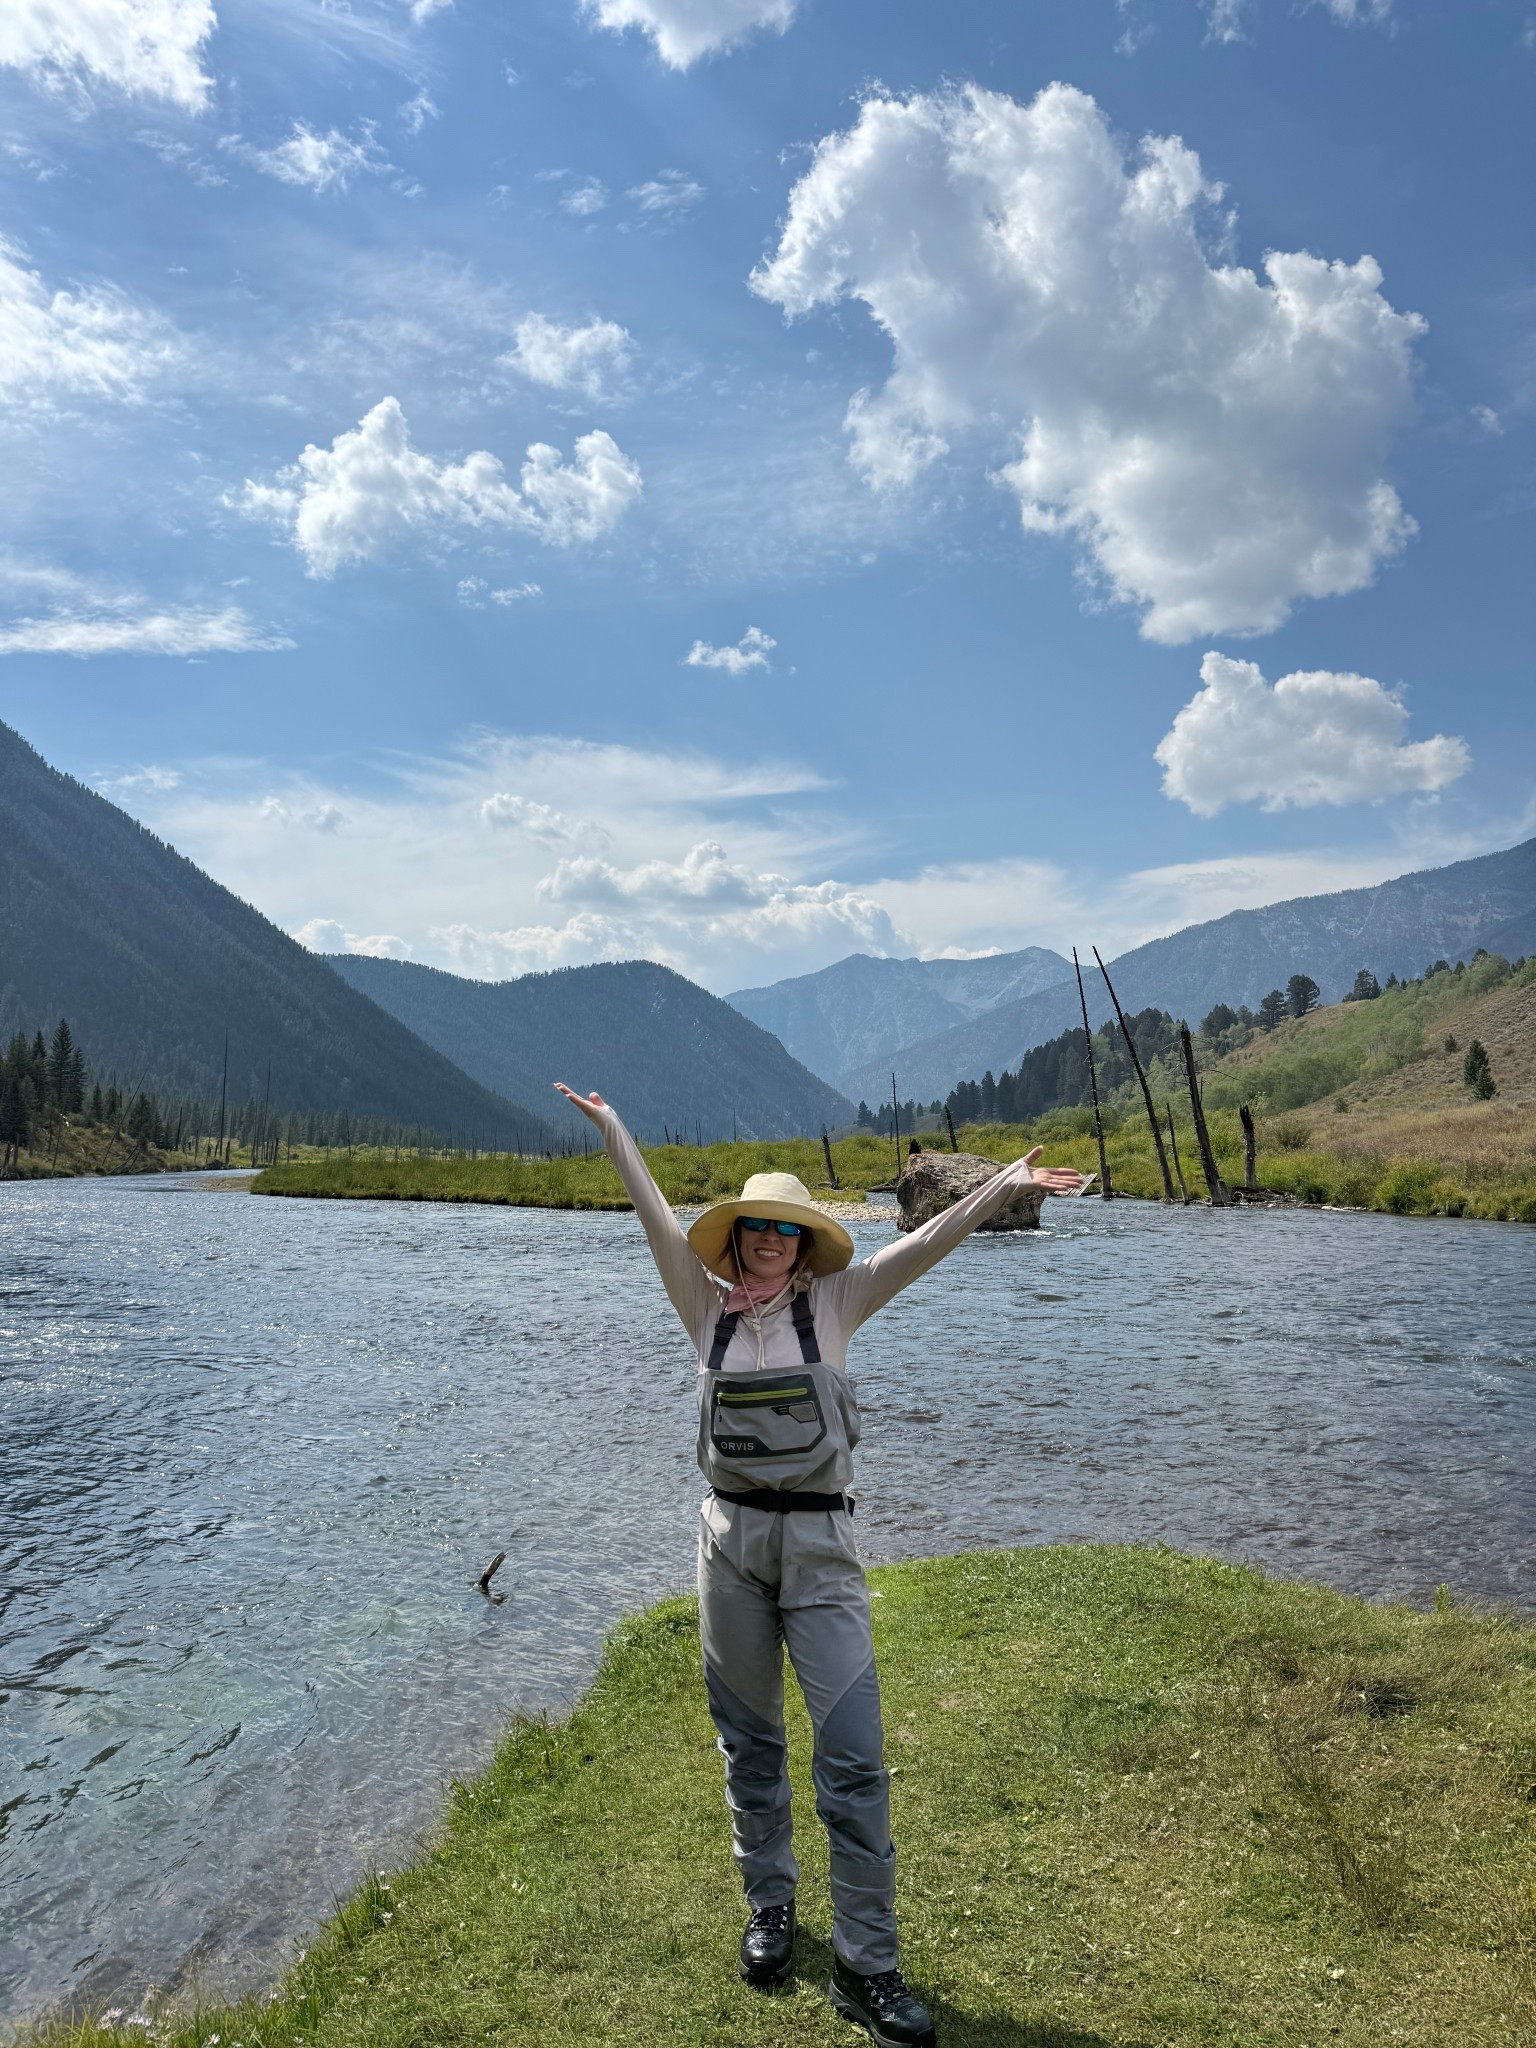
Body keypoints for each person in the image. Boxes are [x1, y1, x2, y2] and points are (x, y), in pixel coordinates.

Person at [554, 1084, 1086, 2048]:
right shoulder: (703, 1306)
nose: (769, 1240)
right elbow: (656, 1217)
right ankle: (770, 1909)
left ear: (805, 1242)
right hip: (730, 1548)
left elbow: (925, 1244)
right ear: (737, 1237)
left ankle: (866, 1965)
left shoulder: (840, 1300)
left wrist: (1007, 1182)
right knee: (749, 1747)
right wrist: (615, 1130)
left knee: (853, 1759)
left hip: (823, 1553)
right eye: (756, 1226)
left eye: (786, 1229)